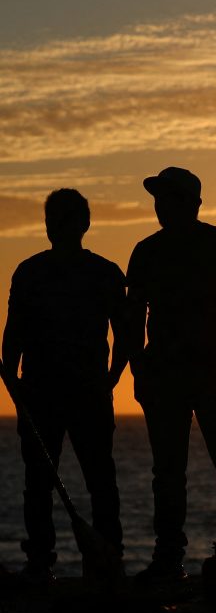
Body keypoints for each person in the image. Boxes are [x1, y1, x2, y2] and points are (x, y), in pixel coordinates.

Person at [127, 167, 216, 584]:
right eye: (158, 197)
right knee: (169, 471)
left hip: (210, 376)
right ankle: (169, 559)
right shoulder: (147, 251)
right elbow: (132, 316)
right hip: (168, 377)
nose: (160, 205)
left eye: (168, 197)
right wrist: (140, 369)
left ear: (192, 203)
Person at [2, 188, 128, 582]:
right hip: (47, 392)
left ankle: (103, 558)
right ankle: (47, 561)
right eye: (53, 220)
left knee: (94, 480)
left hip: (78, 392)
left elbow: (125, 334)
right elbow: (14, 335)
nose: (56, 227)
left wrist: (111, 377)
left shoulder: (102, 273)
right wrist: (13, 380)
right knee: (44, 482)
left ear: (82, 225)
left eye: (62, 220)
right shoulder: (31, 272)